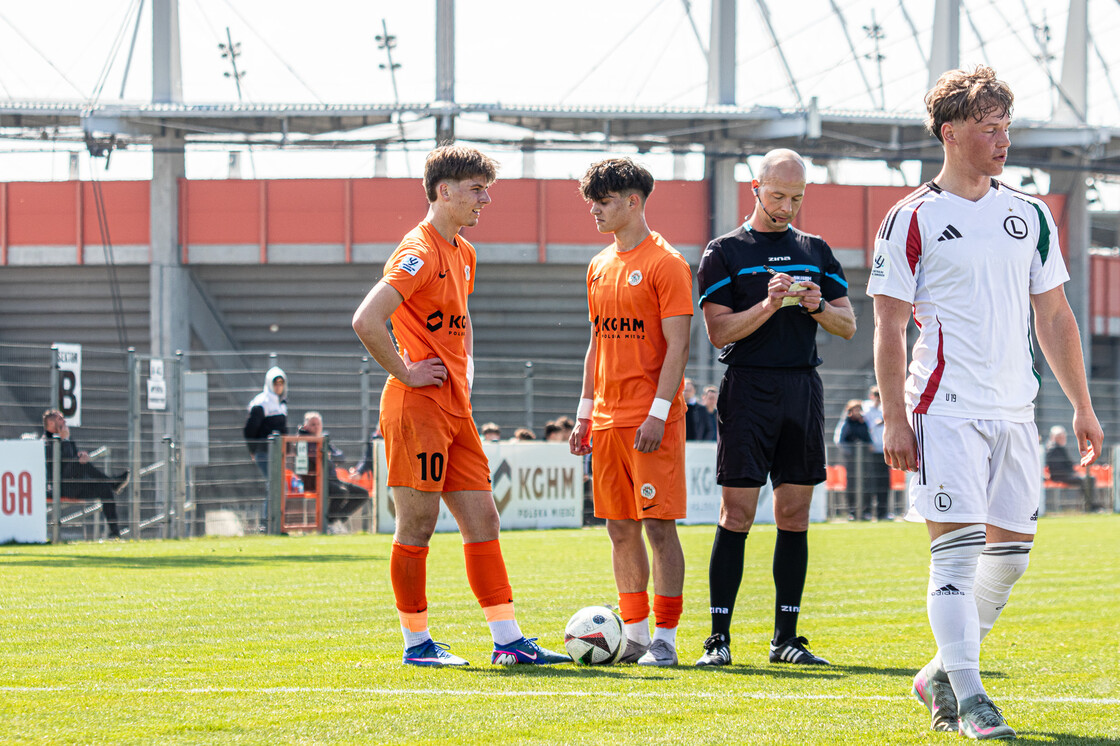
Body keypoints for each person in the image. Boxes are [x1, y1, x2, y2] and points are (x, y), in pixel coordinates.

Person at [868, 65, 1103, 740]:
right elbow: (887, 326)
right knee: (959, 552)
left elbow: (1054, 317)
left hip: (1015, 412)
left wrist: (1082, 407)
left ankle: (938, 672)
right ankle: (970, 700)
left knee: (1013, 554)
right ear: (950, 133)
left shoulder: (1027, 214)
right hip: (944, 409)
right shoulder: (910, 218)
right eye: (987, 127)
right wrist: (893, 418)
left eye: (1006, 127)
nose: (1002, 140)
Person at [351, 144, 567, 667]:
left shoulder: (464, 253)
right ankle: (417, 644)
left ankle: (508, 641)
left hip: (456, 411)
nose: (485, 200)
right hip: (416, 407)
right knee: (417, 526)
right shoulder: (418, 250)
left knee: (484, 520)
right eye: (476, 190)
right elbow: (365, 319)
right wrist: (405, 371)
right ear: (443, 191)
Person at [694, 147, 856, 669]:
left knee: (794, 514)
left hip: (802, 388)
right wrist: (767, 304)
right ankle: (718, 639)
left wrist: (818, 305)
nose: (787, 206)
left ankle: (786, 639)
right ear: (756, 190)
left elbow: (848, 324)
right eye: (778, 195)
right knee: (736, 513)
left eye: (796, 197)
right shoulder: (725, 251)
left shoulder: (815, 248)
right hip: (748, 389)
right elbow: (719, 330)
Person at [570, 156, 693, 667]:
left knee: (659, 526)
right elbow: (597, 342)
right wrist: (583, 412)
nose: (594, 212)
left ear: (633, 201)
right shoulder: (598, 266)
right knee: (619, 528)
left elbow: (678, 345)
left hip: (650, 420)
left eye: (602, 203)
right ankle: (635, 636)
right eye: (592, 204)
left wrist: (659, 412)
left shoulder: (668, 262)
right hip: (606, 421)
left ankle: (664, 638)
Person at [41, 409, 128, 538]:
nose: (64, 421)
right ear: (51, 423)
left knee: (104, 490)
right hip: (61, 487)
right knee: (80, 463)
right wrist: (66, 442)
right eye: (60, 419)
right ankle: (112, 483)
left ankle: (115, 533)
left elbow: (72, 458)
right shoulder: (46, 442)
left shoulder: (65, 436)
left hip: (75, 484)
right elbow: (60, 467)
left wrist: (78, 454)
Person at [244, 366, 288, 477]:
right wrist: (253, 449)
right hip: (264, 451)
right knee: (274, 483)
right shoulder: (262, 403)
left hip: (278, 453)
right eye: (275, 384)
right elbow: (250, 429)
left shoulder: (281, 404)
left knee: (279, 485)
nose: (278, 387)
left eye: (281, 384)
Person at [837, 399, 872, 520]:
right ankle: (851, 511)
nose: (857, 412)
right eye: (855, 410)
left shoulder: (863, 423)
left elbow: (868, 439)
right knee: (851, 484)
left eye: (859, 409)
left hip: (863, 459)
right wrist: (851, 452)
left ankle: (865, 511)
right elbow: (842, 441)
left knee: (865, 483)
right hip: (851, 460)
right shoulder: (847, 423)